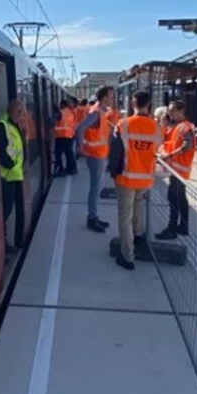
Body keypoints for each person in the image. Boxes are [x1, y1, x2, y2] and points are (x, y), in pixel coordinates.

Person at [112, 90, 162, 270]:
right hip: (145, 179)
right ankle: (139, 234)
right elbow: (155, 150)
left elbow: (115, 153)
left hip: (126, 178)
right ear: (149, 104)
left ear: (133, 104)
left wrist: (113, 174)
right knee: (138, 206)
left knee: (124, 216)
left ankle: (128, 256)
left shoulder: (123, 124)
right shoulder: (157, 128)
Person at [75, 85, 115, 233]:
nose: (112, 99)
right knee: (95, 187)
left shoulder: (100, 112)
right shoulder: (96, 113)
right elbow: (79, 129)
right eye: (110, 97)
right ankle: (91, 218)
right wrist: (81, 147)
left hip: (99, 154)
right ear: (104, 98)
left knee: (97, 186)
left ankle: (94, 215)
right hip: (95, 155)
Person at [157, 100, 195, 240]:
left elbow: (187, 145)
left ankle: (172, 228)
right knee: (180, 198)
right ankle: (183, 227)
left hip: (179, 169)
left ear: (181, 111)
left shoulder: (184, 127)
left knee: (173, 199)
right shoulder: (176, 127)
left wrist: (170, 156)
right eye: (169, 110)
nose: (170, 113)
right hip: (176, 168)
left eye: (173, 110)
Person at [0, 99, 28, 258]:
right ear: (14, 111)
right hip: (8, 176)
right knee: (6, 210)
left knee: (19, 209)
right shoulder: (3, 125)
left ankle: (19, 240)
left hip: (17, 174)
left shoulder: (15, 124)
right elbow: (2, 152)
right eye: (20, 112)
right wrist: (11, 165)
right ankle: (1, 242)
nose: (22, 115)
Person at [53, 98, 77, 177]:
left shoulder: (62, 112)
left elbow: (54, 119)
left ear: (63, 105)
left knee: (58, 154)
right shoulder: (70, 112)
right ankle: (72, 168)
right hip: (69, 135)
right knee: (69, 153)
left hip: (61, 136)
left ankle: (61, 170)